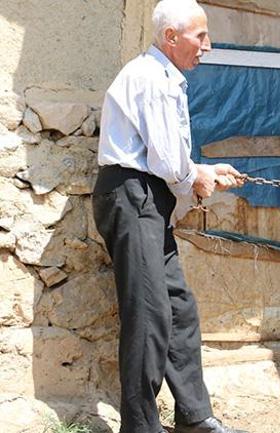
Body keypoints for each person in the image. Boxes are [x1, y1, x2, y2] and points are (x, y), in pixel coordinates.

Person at [92, 1, 247, 432]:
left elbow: (167, 158)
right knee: (149, 313)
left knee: (178, 308)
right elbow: (165, 161)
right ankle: (139, 426)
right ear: (171, 37)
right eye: (201, 36)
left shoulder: (160, 76)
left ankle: (195, 417)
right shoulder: (154, 80)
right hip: (134, 196)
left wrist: (202, 171)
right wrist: (194, 182)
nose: (208, 46)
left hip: (143, 198)